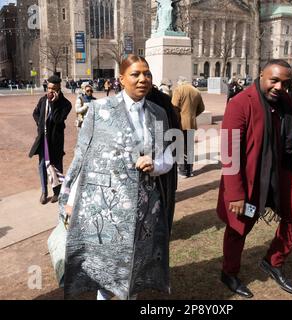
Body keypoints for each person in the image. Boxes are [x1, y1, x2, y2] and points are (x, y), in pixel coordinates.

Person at [59, 54, 174, 300]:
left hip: (144, 209)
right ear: (121, 79)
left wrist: (155, 164)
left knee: (134, 264)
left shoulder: (158, 113)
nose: (143, 79)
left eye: (147, 74)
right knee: (106, 265)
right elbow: (82, 156)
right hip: (106, 207)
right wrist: (70, 197)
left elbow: (169, 156)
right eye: (136, 74)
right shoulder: (99, 111)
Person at [217, 59, 292, 298]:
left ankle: (273, 261)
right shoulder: (241, 102)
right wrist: (236, 194)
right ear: (261, 74)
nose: (278, 87)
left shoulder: (286, 99)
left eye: (285, 82)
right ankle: (229, 273)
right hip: (253, 178)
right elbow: (230, 151)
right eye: (273, 80)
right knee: (239, 228)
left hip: (282, 173)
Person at [29, 75, 72, 205]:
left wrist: (54, 104)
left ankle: (57, 192)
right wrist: (40, 124)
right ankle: (44, 191)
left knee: (56, 164)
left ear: (59, 89)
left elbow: (58, 120)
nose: (50, 91)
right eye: (48, 88)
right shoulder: (43, 100)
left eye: (53, 89)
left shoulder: (65, 104)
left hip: (56, 140)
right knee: (42, 164)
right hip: (43, 139)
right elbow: (35, 113)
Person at [147, 84, 181, 234]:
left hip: (162, 163)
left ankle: (163, 230)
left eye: (146, 74)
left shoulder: (162, 101)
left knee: (163, 200)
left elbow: (174, 133)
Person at [171, 76, 205, 178]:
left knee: (181, 147)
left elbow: (174, 107)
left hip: (180, 123)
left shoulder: (179, 90)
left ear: (179, 82)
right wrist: (193, 116)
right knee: (189, 147)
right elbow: (202, 108)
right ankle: (190, 170)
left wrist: (175, 120)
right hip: (191, 122)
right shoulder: (196, 91)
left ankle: (182, 171)